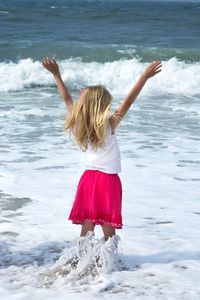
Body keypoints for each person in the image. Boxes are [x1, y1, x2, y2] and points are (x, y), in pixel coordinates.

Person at [41, 58, 162, 267]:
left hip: (88, 180)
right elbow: (130, 100)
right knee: (108, 225)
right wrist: (144, 77)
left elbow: (67, 99)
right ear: (103, 105)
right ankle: (109, 265)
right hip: (108, 181)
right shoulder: (110, 124)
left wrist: (56, 75)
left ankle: (81, 262)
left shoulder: (79, 123)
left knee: (87, 225)